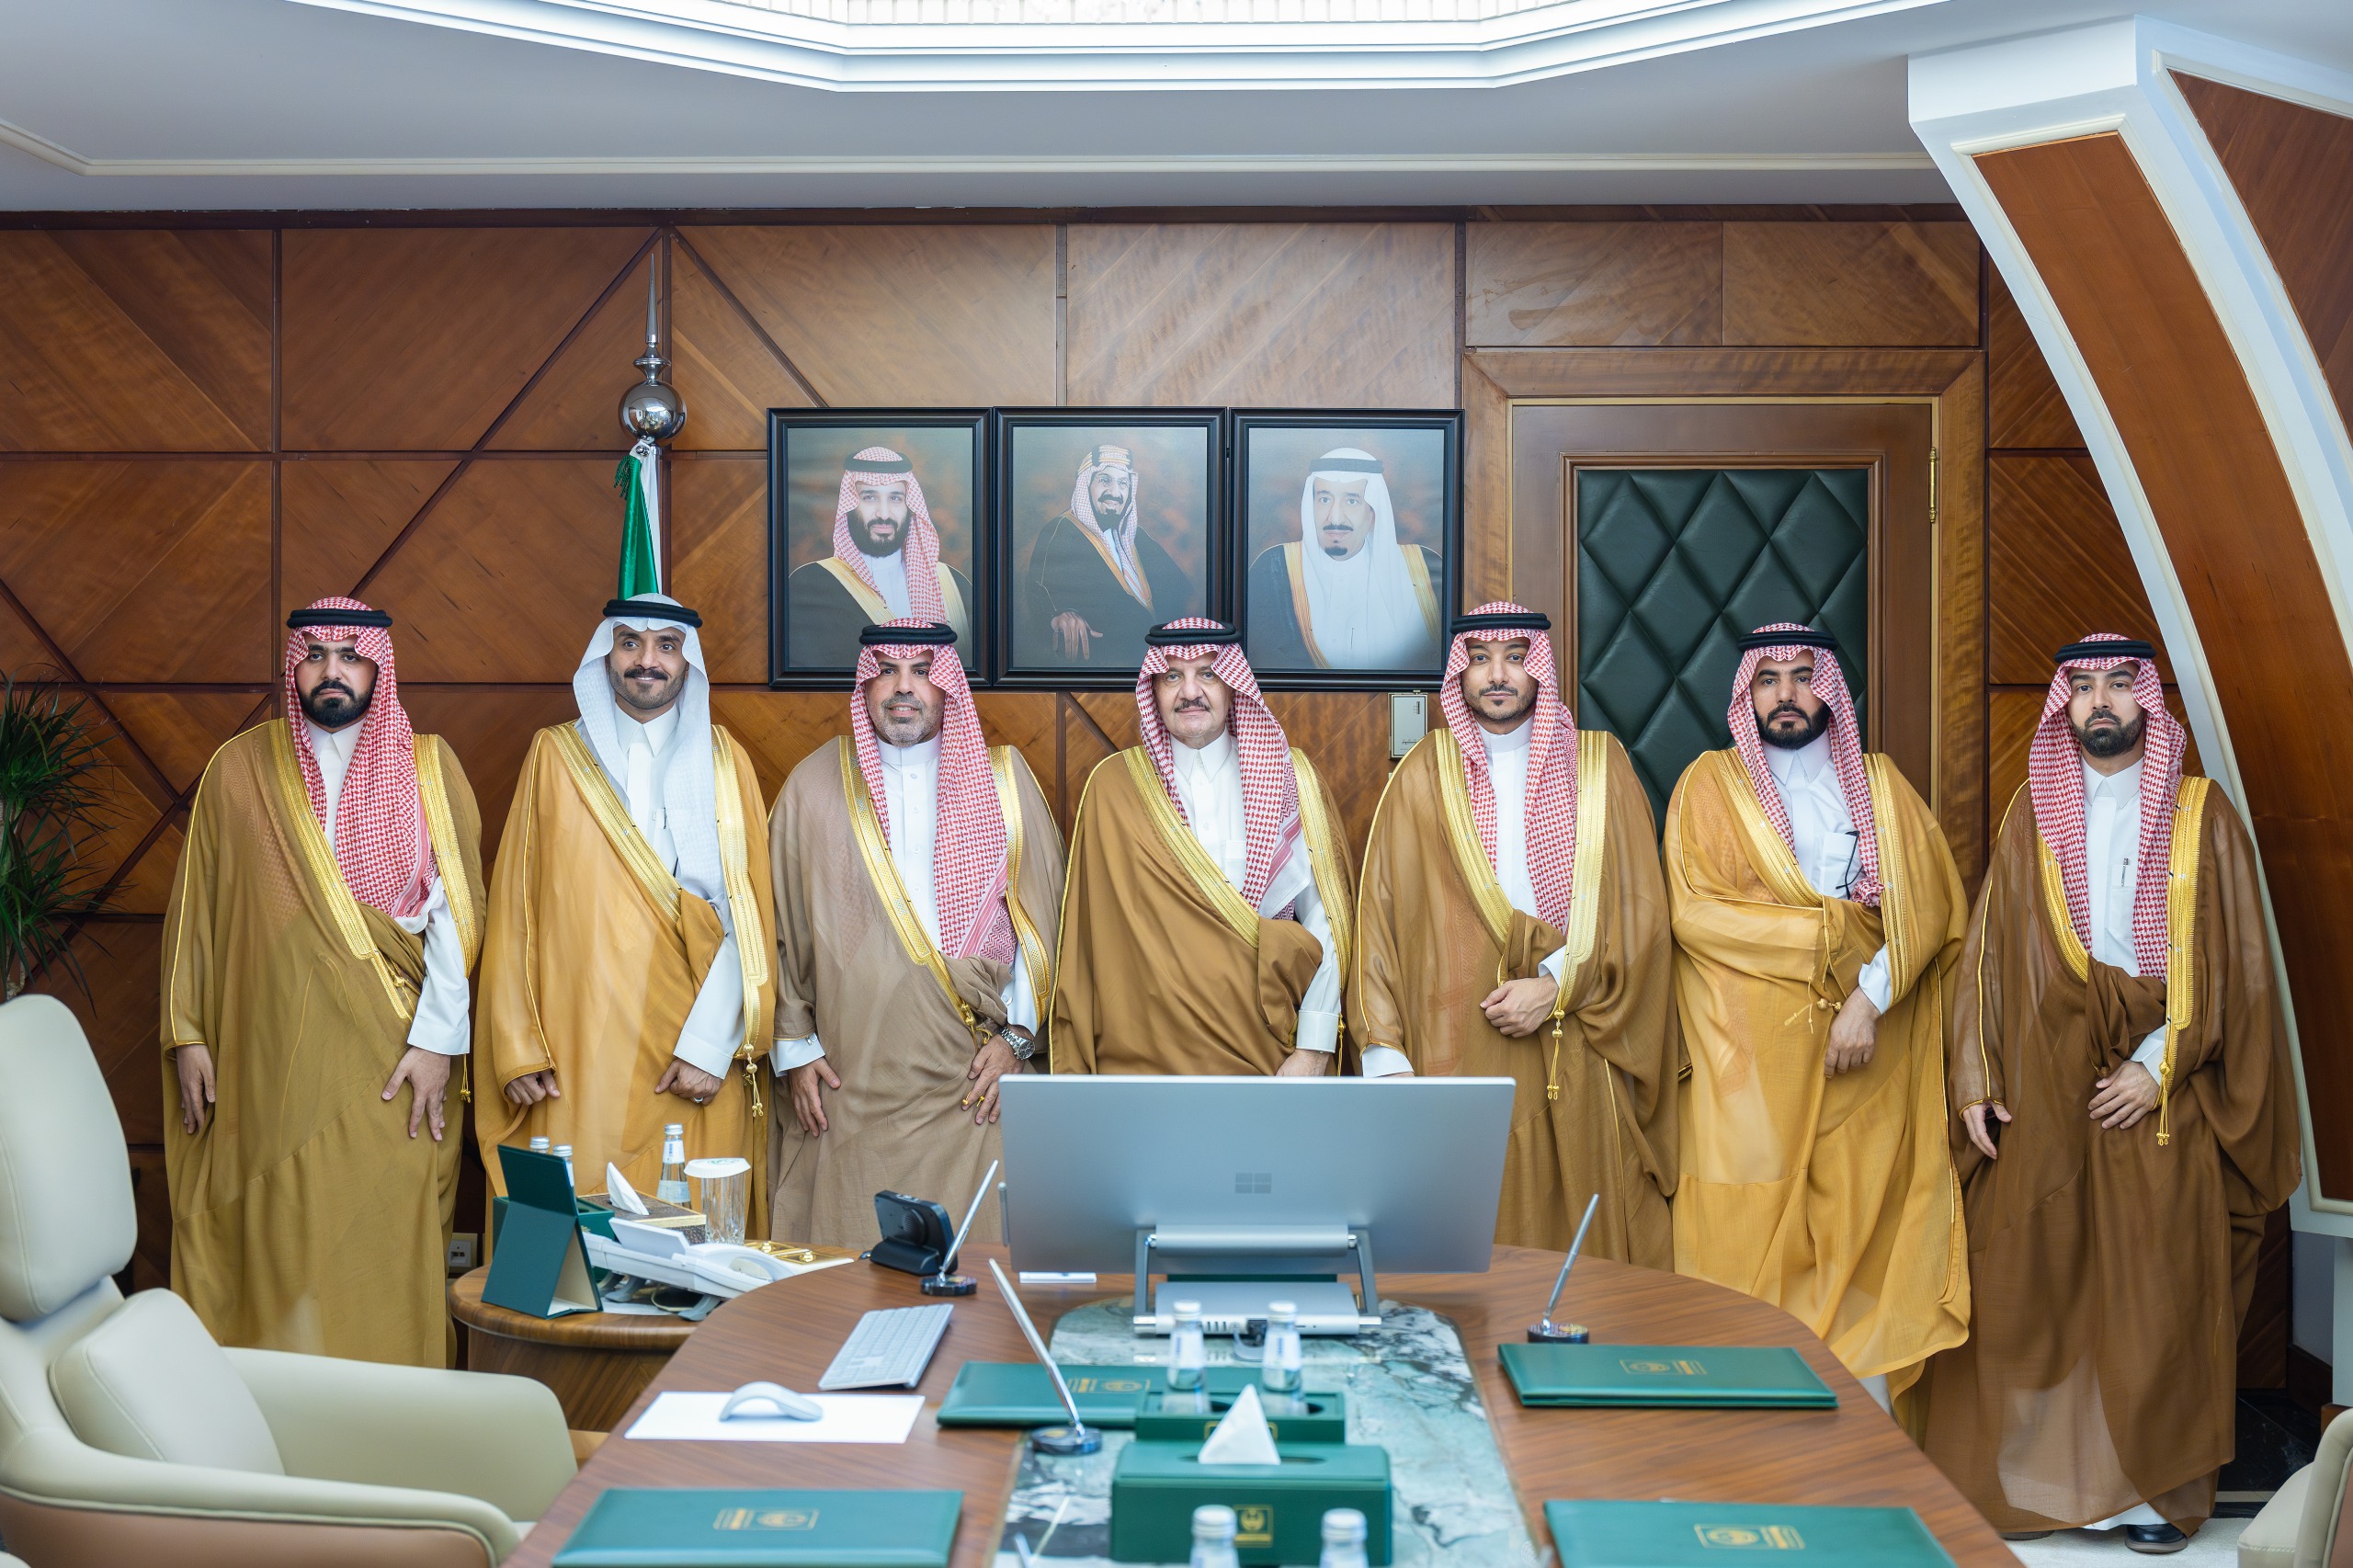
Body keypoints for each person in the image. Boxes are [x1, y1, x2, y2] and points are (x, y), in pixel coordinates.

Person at [1915, 635, 2298, 1554]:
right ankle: (2046, 1485)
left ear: (2146, 701)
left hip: (2166, 1090)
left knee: (2159, 1290)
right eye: (2082, 687)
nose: (2099, 702)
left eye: (2118, 685)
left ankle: (2151, 1497)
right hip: (2046, 1085)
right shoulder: (2031, 814)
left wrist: (2156, 1064)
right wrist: (1976, 1075)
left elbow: (2236, 969)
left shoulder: (2203, 816)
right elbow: (1988, 954)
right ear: (2065, 704)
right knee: (2038, 1280)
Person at [162, 597, 483, 1367]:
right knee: (276, 1234)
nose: (331, 671)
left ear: (379, 666)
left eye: (349, 655)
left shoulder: (429, 766)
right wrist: (187, 1032)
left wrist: (437, 1046)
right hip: (267, 1060)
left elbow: (457, 919)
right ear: (294, 665)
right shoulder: (239, 768)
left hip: (393, 1056)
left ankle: (387, 1417)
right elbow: (197, 907)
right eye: (315, 654)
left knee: (383, 1236)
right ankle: (270, 1411)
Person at [1665, 622, 1968, 1408]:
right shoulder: (1708, 785)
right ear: (1747, 693)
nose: (1787, 695)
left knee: (1858, 1233)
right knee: (1742, 1227)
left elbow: (1929, 907)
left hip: (1864, 1058)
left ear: (1828, 687)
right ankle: (1739, 1431)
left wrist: (1867, 999)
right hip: (1748, 1062)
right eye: (1768, 679)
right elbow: (1695, 916)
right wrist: (1829, 935)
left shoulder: (1881, 786)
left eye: (1803, 676)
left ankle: (1858, 1437)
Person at [1348, 605, 1675, 1262]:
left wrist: (1555, 986)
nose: (1497, 675)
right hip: (1452, 1048)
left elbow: (1640, 914)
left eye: (1516, 658)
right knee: (1466, 1231)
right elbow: (1379, 922)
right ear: (1459, 672)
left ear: (1540, 669)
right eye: (1480, 659)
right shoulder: (1423, 772)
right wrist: (1385, 1057)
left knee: (1581, 1243)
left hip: (1578, 1033)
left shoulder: (1599, 766)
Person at [474, 595, 777, 1233]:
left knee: (689, 1232)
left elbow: (748, 917)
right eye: (630, 643)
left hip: (690, 1046)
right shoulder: (555, 755)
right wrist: (518, 1047)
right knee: (574, 1233)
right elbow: (515, 910)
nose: (647, 661)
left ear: (688, 661)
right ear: (605, 654)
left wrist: (709, 1048)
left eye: (667, 645)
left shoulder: (726, 762)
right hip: (575, 1046)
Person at [767, 620, 1063, 1247]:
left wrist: (1018, 1038)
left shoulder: (1005, 783)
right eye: (887, 671)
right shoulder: (812, 785)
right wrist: (796, 1050)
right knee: (853, 1263)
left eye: (922, 671)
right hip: (852, 1078)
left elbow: (1044, 926)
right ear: (865, 683)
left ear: (946, 684)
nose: (904, 687)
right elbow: (779, 927)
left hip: (973, 1080)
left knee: (978, 1265)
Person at [1051, 617, 1355, 1074]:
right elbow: (1087, 944)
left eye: (1208, 674)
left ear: (1233, 685)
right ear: (1153, 689)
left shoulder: (1289, 779)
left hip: (1268, 1055)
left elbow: (1325, 920)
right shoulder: (1112, 788)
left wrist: (1313, 1049)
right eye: (1172, 676)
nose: (1189, 692)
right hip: (1144, 1062)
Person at [1245, 448, 1442, 672]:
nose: (1335, 517)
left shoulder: (1422, 568)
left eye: (1352, 501)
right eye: (1324, 499)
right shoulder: (1273, 569)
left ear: (1373, 511)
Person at [786, 446, 974, 666]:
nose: (884, 514)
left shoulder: (954, 584)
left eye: (895, 498)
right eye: (869, 497)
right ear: (849, 504)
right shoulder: (811, 583)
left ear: (910, 505)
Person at [1022, 443, 1190, 667]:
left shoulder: (1137, 536)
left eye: (1123, 483)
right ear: (1086, 485)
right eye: (1105, 480)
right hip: (1101, 669)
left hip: (1158, 663)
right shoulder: (1060, 531)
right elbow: (1038, 594)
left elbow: (1180, 591)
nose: (1115, 492)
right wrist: (1059, 615)